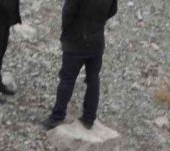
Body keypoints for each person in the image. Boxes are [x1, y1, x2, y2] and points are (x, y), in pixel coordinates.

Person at [42, 0, 117, 130]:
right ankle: (89, 117)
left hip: (76, 40)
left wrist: (66, 33)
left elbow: (68, 12)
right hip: (97, 40)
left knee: (67, 79)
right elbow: (113, 10)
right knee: (93, 79)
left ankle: (57, 116)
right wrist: (98, 22)